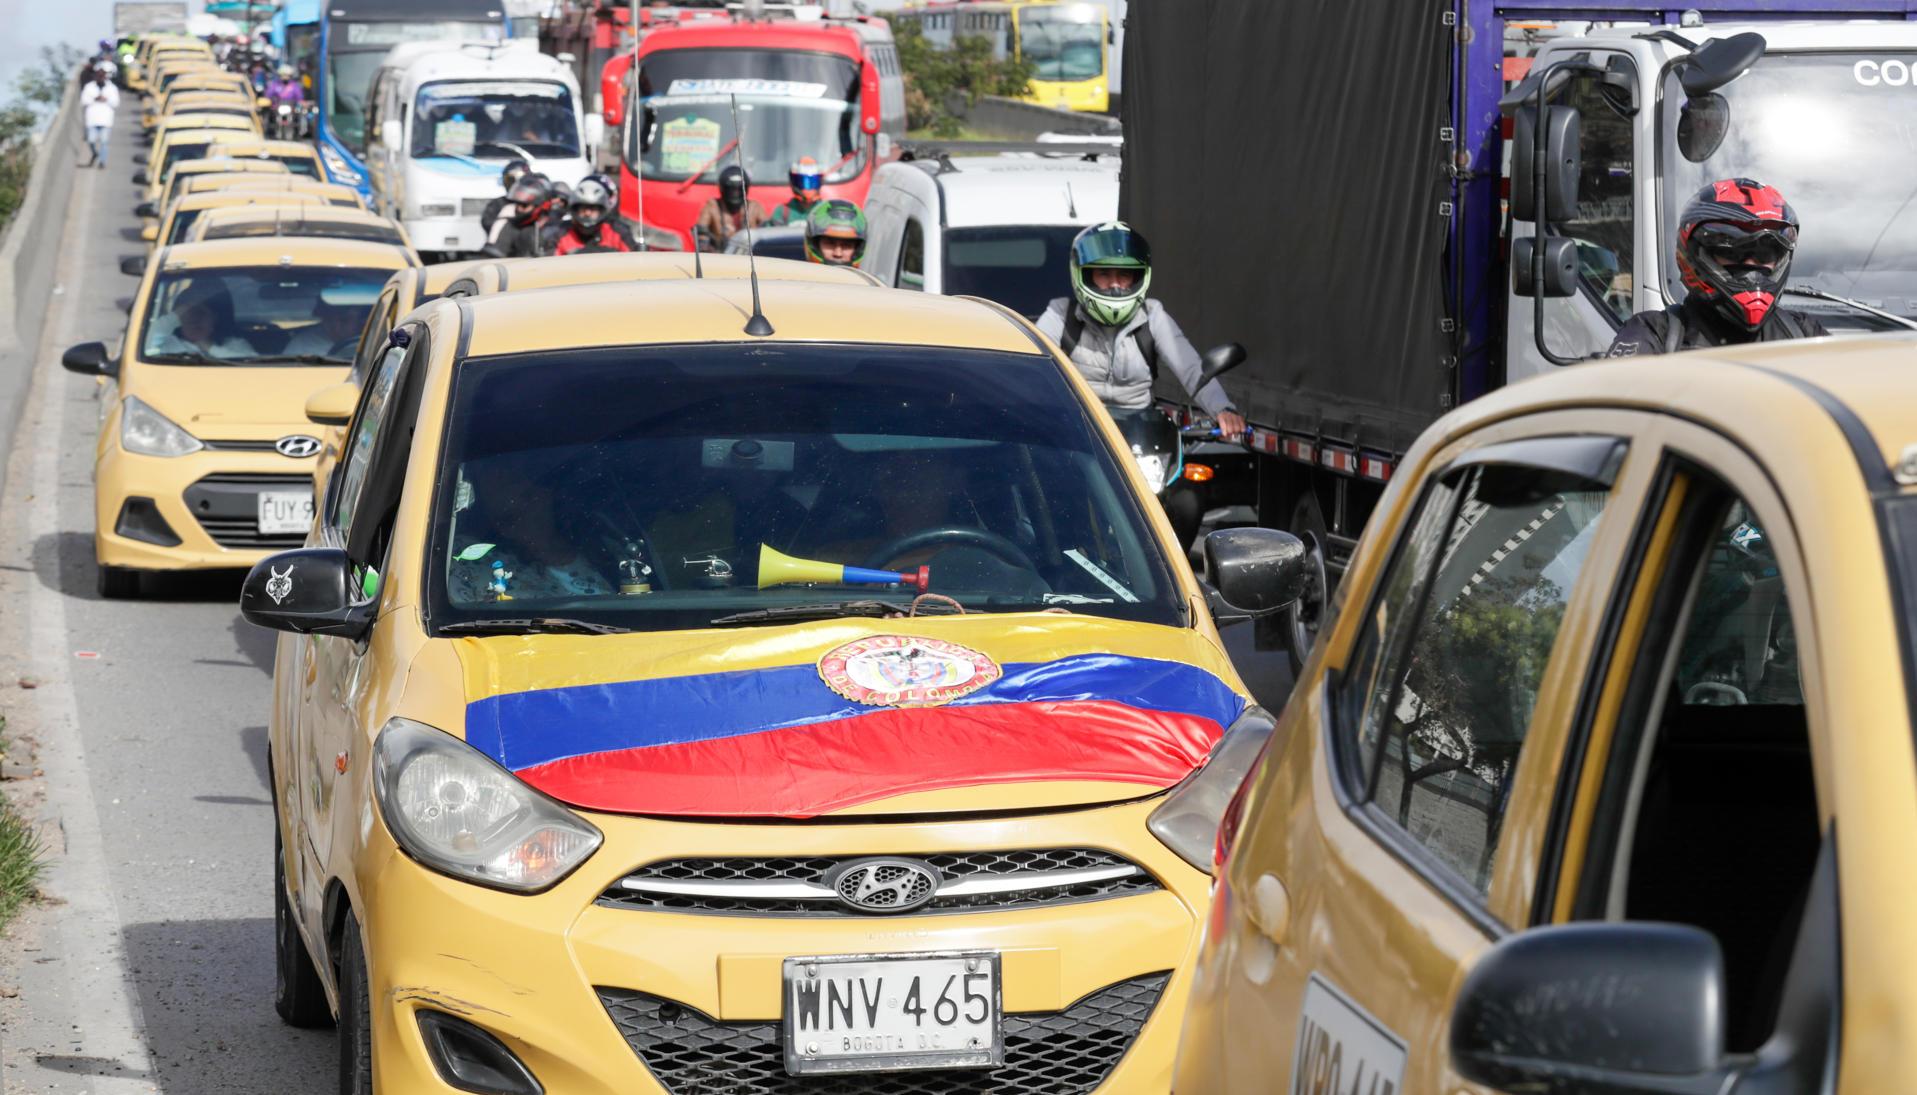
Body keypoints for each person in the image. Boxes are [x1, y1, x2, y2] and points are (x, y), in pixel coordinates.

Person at [1036, 221, 1247, 438]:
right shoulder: (1061, 314)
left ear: (1138, 277)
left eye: (1124, 275)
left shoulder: (1153, 316)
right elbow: (1030, 365)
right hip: (1076, 434)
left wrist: (1223, 409)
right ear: (1083, 275)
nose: (1115, 285)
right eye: (1104, 274)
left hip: (1137, 438)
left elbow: (1191, 368)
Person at [1606, 178, 1828, 357]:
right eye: (1733, 252)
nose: (1751, 266)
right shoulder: (1655, 332)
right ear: (1695, 254)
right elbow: (1615, 399)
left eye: (1764, 254)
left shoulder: (1804, 333)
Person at [145, 284, 257, 360]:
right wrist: (180, 312)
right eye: (189, 313)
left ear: (215, 318)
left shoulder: (234, 344)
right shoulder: (166, 344)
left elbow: (251, 367)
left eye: (201, 313)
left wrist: (209, 347)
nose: (195, 319)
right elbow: (143, 344)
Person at [543, 176, 635, 255]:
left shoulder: (618, 231)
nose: (587, 213)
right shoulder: (560, 233)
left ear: (602, 210)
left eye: (593, 208)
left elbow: (634, 260)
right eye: (583, 208)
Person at [694, 165, 767, 251]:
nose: (735, 193)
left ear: (745, 188)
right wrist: (706, 245)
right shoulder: (712, 206)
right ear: (722, 188)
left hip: (749, 256)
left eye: (739, 189)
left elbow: (767, 232)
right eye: (731, 189)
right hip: (721, 258)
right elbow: (701, 233)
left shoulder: (754, 207)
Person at [491, 173, 554, 258]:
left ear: (540, 206)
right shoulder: (511, 226)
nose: (519, 209)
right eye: (517, 204)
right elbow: (497, 251)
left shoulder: (556, 229)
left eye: (524, 205)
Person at [281, 300, 365, 359]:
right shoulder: (302, 344)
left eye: (344, 320)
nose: (335, 326)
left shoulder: (374, 341)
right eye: (329, 320)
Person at [802, 199, 866, 266]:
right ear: (815, 245)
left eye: (846, 245)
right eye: (830, 243)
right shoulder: (793, 275)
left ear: (857, 249)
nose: (838, 254)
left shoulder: (868, 276)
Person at [80, 69, 119, 170]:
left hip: (106, 120)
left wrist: (106, 99)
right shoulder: (89, 87)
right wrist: (95, 98)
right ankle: (95, 154)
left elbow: (116, 102)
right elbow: (84, 101)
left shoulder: (112, 88)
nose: (100, 78)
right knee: (91, 140)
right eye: (99, 76)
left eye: (102, 76)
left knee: (104, 142)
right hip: (92, 119)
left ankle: (102, 162)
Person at [479, 158, 529, 235]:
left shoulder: (536, 204)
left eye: (518, 181)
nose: (514, 186)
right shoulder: (497, 204)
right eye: (510, 180)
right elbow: (488, 224)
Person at [768, 157, 823, 226]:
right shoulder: (782, 212)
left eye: (812, 182)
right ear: (794, 182)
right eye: (803, 182)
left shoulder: (827, 210)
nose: (807, 188)